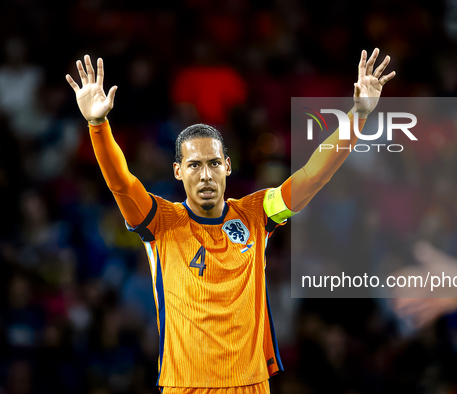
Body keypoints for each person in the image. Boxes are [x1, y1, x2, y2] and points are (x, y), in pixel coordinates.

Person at [65, 49, 395, 393]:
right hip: (185, 386)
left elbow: (312, 176)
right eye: (194, 165)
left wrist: (358, 115)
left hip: (250, 385)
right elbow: (121, 182)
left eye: (213, 163)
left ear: (228, 166)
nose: (205, 175)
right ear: (178, 172)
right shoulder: (160, 221)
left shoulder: (257, 213)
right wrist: (98, 125)